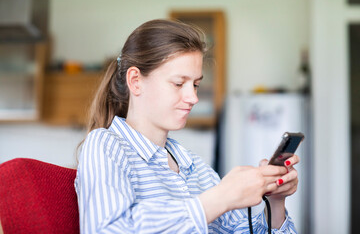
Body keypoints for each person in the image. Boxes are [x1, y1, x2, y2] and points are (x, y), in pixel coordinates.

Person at [75, 19, 299, 233]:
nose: (193, 97)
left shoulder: (192, 165)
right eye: (179, 83)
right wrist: (220, 197)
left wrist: (276, 202)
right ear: (135, 81)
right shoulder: (106, 146)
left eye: (196, 84)